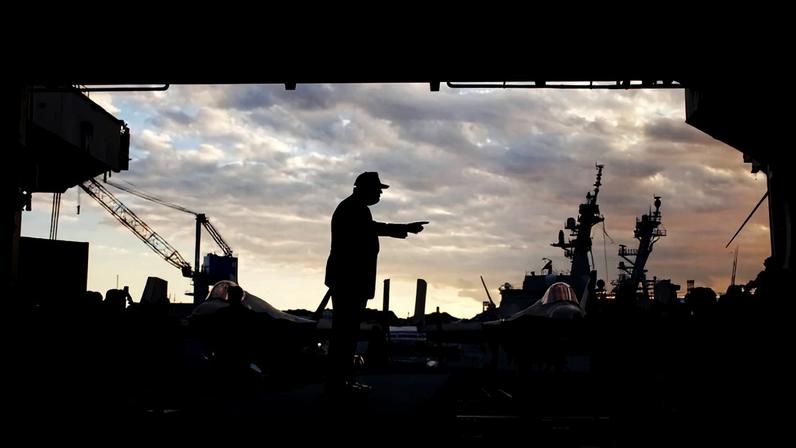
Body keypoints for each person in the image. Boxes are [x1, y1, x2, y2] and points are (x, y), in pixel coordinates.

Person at [324, 171, 428, 394]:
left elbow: (372, 230)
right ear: (365, 188)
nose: (380, 193)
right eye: (378, 189)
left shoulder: (355, 208)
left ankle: (342, 381)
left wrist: (403, 228)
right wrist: (405, 228)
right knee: (345, 333)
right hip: (349, 281)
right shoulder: (354, 209)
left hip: (349, 281)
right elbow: (374, 229)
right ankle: (340, 383)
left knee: (346, 333)